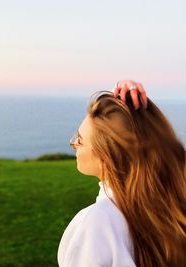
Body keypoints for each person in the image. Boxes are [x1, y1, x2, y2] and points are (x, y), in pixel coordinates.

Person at [57, 80, 186, 267]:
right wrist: (122, 109)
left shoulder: (96, 224)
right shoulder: (167, 210)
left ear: (107, 157)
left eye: (81, 140)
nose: (74, 144)